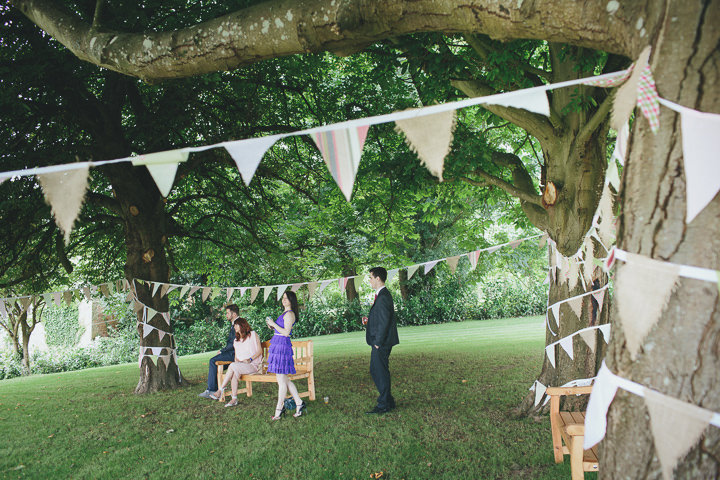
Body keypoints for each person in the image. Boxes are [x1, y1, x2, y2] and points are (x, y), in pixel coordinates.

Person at [362, 266, 399, 414]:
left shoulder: (383, 296)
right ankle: (389, 400)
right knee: (379, 370)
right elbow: (381, 318)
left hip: (381, 343)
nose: (369, 281)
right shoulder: (382, 295)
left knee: (378, 371)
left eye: (370, 277)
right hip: (381, 341)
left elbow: (384, 322)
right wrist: (369, 320)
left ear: (378, 278)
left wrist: (377, 342)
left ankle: (384, 404)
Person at [265, 290, 306, 420]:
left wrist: (273, 324)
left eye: (286, 298)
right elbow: (280, 329)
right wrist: (272, 326)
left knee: (281, 381)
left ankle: (279, 408)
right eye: (283, 298)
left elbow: (286, 332)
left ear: (291, 301)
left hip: (282, 346)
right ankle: (299, 403)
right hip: (278, 345)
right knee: (284, 380)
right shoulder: (284, 313)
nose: (283, 300)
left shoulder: (290, 314)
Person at [210, 317, 262, 407]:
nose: (234, 327)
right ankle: (234, 399)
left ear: (242, 325)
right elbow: (236, 358)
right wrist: (238, 363)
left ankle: (220, 390)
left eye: (236, 325)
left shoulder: (253, 335)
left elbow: (260, 351)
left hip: (253, 365)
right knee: (234, 371)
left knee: (233, 366)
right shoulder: (236, 341)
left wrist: (250, 359)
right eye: (234, 326)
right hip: (241, 366)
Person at [198, 304, 240, 399]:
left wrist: (222, 350)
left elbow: (234, 342)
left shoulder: (237, 324)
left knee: (213, 361)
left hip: (234, 354)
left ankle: (212, 390)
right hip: (232, 352)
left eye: (227, 313)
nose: (226, 315)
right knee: (215, 362)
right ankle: (215, 390)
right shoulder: (235, 323)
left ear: (233, 314)